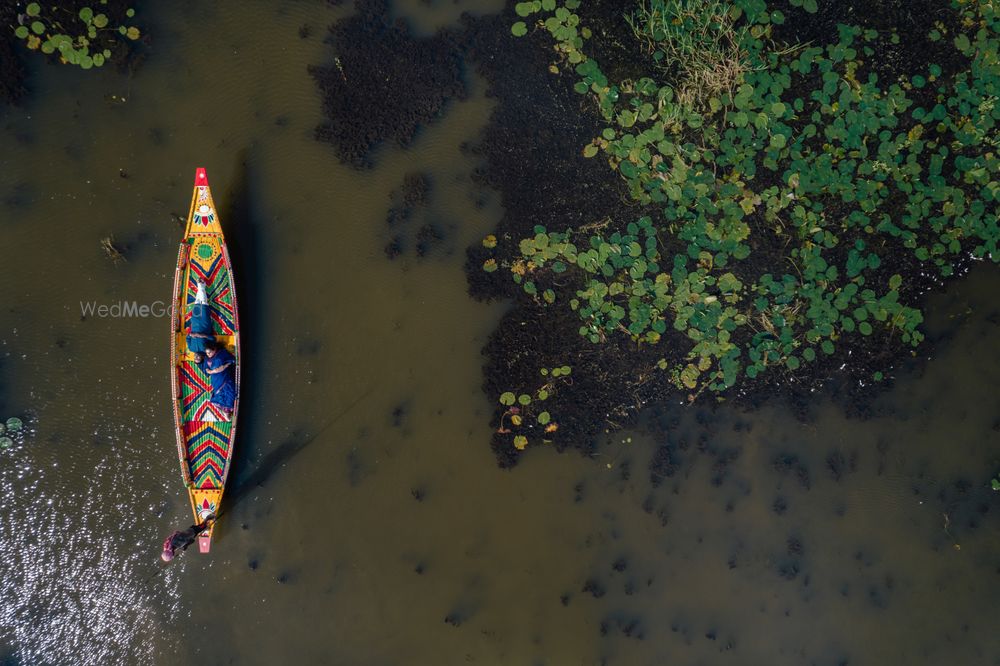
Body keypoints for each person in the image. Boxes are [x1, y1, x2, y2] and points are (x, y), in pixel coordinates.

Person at [200, 341, 237, 421]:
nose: (208, 354)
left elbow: (231, 360)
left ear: (214, 349)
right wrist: (214, 371)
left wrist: (224, 366)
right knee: (220, 393)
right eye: (207, 353)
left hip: (224, 376)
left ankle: (229, 410)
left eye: (209, 352)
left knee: (230, 392)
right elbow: (206, 369)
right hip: (215, 379)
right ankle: (227, 411)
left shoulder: (222, 354)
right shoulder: (207, 359)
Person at [186, 278, 215, 361]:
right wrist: (202, 335)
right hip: (204, 324)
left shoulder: (191, 349)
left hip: (195, 323)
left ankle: (201, 286)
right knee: (204, 304)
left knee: (197, 302)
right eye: (198, 358)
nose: (196, 357)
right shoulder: (206, 350)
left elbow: (188, 338)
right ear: (202, 358)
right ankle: (201, 286)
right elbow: (213, 339)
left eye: (195, 358)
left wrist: (190, 335)